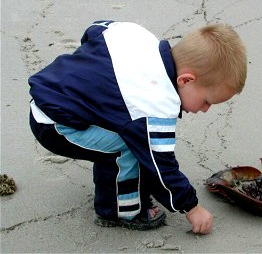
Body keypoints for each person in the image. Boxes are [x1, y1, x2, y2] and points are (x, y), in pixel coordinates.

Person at [28, 20, 247, 234]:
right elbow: (161, 167)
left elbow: (96, 30)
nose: (205, 109)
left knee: (130, 130)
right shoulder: (156, 104)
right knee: (129, 146)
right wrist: (191, 207)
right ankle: (121, 211)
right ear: (186, 80)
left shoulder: (136, 34)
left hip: (50, 93)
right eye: (207, 101)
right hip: (56, 126)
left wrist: (91, 71)